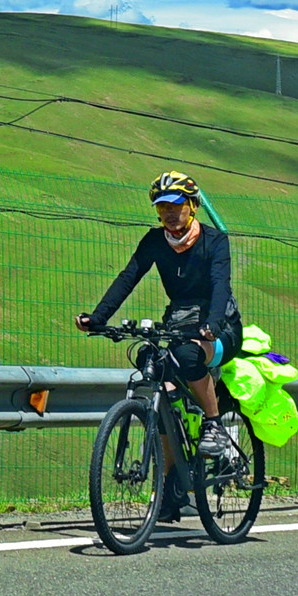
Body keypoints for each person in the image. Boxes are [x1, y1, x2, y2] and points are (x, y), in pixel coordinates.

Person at [76, 170, 242, 481]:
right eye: (163, 207)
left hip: (221, 328)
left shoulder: (215, 242)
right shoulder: (155, 241)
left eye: (176, 206)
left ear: (191, 206)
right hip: (180, 325)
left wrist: (213, 325)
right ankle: (170, 483)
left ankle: (213, 423)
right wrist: (97, 318)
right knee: (152, 366)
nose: (169, 213)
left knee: (190, 357)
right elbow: (128, 277)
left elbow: (221, 285)